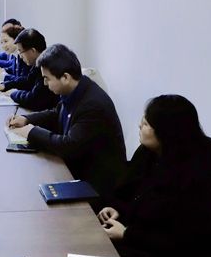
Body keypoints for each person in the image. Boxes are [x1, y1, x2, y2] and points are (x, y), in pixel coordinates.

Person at [97, 95, 211, 257]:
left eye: (146, 124)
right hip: (141, 236)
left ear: (167, 133)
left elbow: (180, 241)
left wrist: (126, 234)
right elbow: (130, 191)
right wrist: (117, 208)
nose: (139, 126)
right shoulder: (149, 153)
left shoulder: (197, 178)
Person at [7, 43, 126, 201]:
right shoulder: (77, 88)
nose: (44, 83)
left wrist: (31, 132)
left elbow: (68, 146)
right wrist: (27, 119)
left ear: (65, 77)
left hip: (97, 187)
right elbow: (57, 113)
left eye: (47, 78)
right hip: (78, 169)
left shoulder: (93, 105)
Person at [0, 28, 59, 110]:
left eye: (20, 51)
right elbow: (28, 81)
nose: (20, 56)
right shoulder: (38, 63)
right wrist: (4, 86)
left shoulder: (46, 67)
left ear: (32, 51)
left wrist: (13, 93)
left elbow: (33, 100)